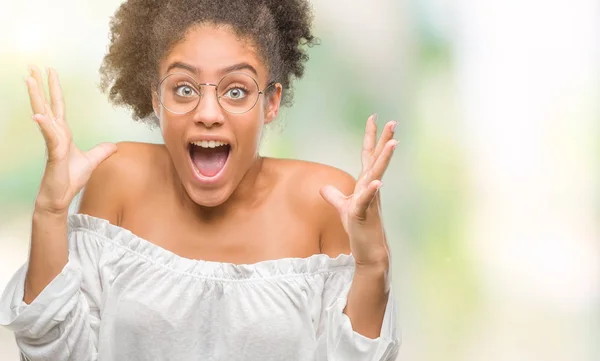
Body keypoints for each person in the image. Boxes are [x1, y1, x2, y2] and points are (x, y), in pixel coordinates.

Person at [0, 0, 401, 360]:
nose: (208, 112)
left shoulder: (325, 201)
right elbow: (56, 355)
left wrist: (372, 265)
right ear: (157, 99)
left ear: (271, 102)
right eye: (185, 88)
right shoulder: (119, 177)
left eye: (237, 91)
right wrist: (50, 211)